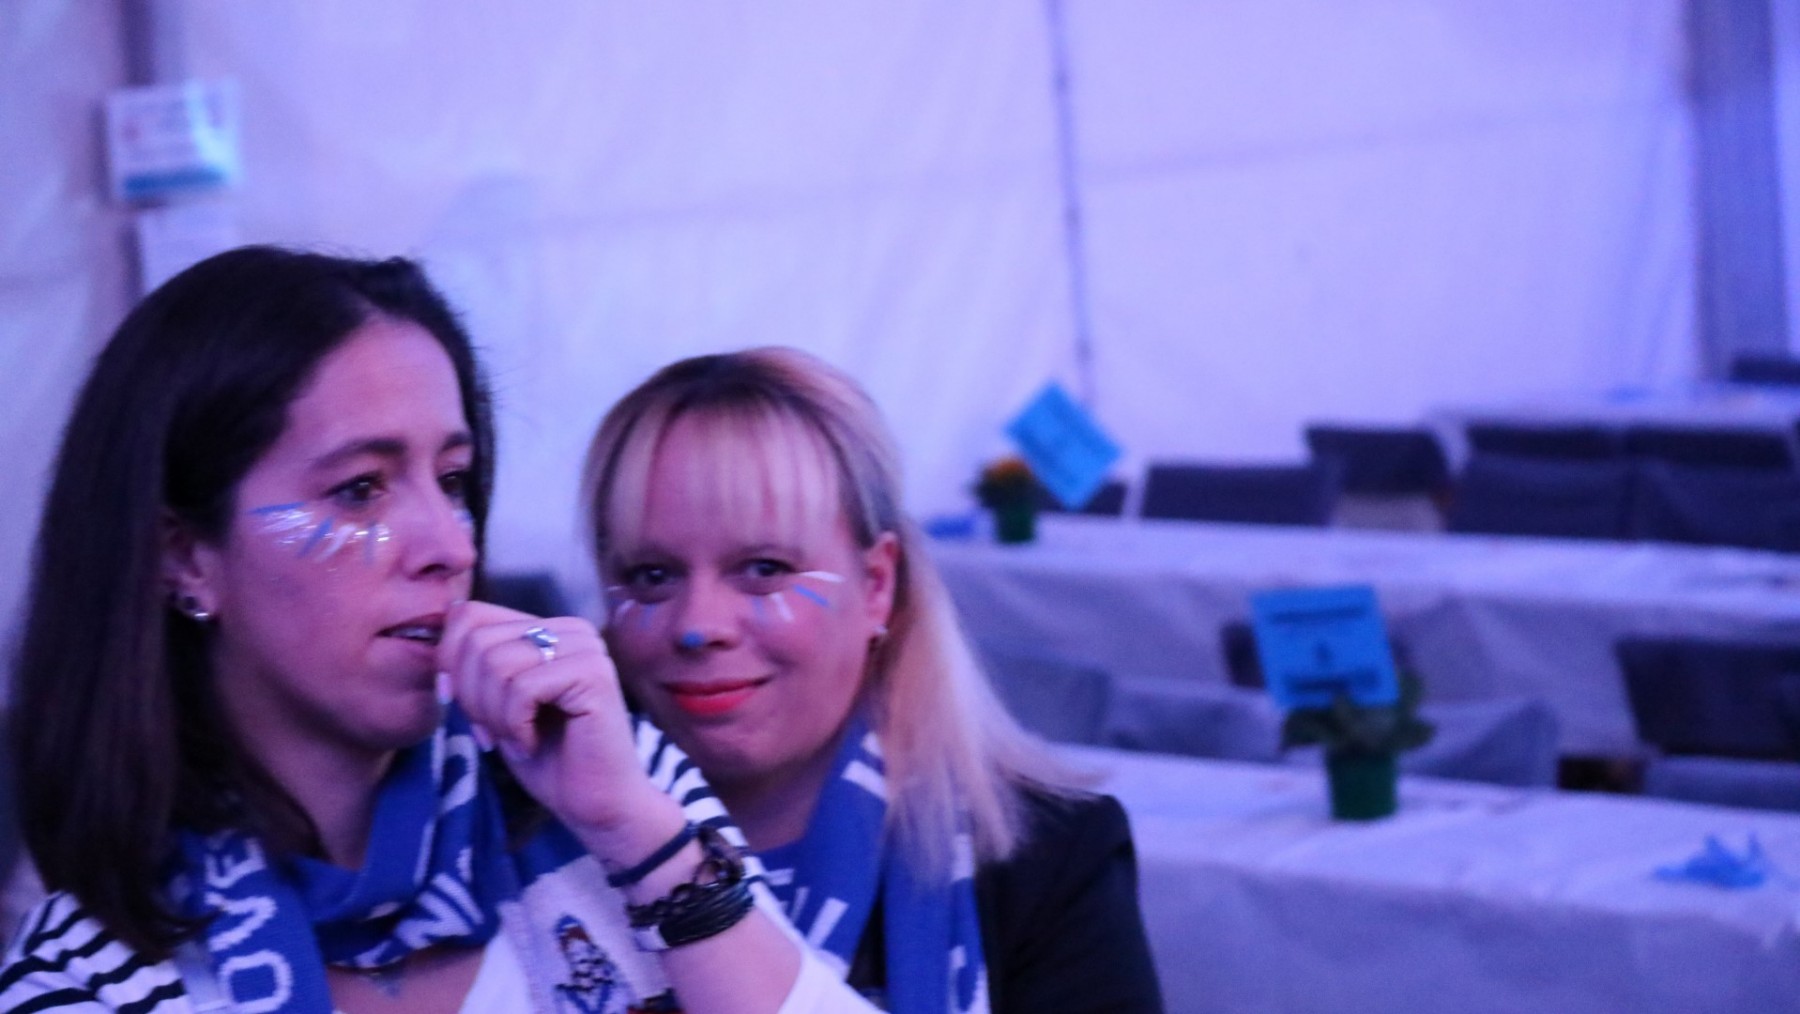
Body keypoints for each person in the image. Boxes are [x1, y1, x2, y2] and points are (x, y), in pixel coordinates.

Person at [0, 248, 873, 1013]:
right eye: (360, 490)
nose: (450, 545)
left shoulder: (615, 782)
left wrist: (642, 840)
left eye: (453, 480)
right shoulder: (93, 982)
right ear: (186, 556)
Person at [581, 349, 1165, 1012]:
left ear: (877, 586)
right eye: (652, 575)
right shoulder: (532, 849)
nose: (698, 626)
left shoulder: (1044, 863)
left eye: (764, 568)